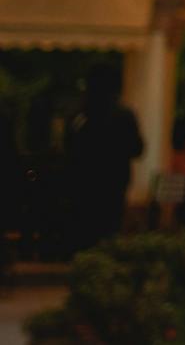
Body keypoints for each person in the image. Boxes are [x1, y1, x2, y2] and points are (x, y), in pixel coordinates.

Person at [65, 63, 142, 249]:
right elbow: (137, 149)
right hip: (114, 181)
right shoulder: (124, 116)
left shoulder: (80, 115)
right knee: (110, 229)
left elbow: (69, 145)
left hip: (83, 181)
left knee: (85, 229)